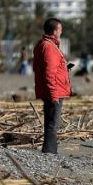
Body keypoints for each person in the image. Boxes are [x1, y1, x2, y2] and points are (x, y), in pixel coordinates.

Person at [33, 18, 71, 154]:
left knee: (51, 123)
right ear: (55, 31)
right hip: (54, 92)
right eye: (60, 29)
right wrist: (53, 95)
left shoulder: (45, 44)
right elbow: (49, 73)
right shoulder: (49, 47)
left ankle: (49, 152)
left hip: (53, 90)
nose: (61, 32)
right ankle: (50, 153)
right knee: (52, 124)